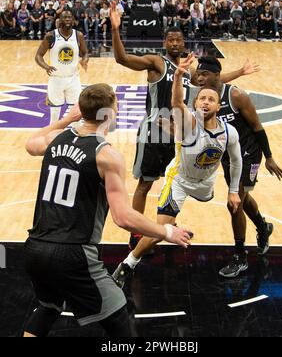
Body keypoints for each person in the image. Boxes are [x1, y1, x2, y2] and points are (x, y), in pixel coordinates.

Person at [23, 84, 191, 337]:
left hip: (35, 247)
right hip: (73, 253)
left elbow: (30, 144)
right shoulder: (106, 155)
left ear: (82, 110)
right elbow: (122, 217)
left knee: (48, 309)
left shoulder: (55, 139)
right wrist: (165, 231)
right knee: (118, 316)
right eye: (116, 106)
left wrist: (66, 120)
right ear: (110, 114)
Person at [110, 1, 260, 250]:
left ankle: (168, 227)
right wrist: (115, 29)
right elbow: (122, 58)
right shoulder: (156, 63)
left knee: (176, 181)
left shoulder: (189, 72)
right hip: (154, 132)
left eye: (179, 40)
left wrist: (239, 72)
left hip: (180, 135)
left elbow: (214, 80)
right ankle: (136, 234)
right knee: (145, 184)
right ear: (165, 43)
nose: (176, 43)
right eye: (171, 40)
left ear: (184, 43)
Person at [112, 55, 243, 288]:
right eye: (201, 98)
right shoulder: (188, 124)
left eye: (210, 99)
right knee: (160, 229)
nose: (205, 102)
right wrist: (179, 77)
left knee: (233, 203)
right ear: (195, 104)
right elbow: (176, 104)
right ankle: (127, 265)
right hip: (180, 181)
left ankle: (242, 247)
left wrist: (233, 191)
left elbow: (236, 160)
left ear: (218, 106)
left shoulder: (229, 131)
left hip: (205, 184)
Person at [193, 57, 282, 278]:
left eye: (204, 74)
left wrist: (269, 157)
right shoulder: (204, 96)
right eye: (199, 74)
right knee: (242, 200)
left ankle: (240, 257)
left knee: (233, 203)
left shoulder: (235, 96)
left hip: (248, 153)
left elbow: (256, 126)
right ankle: (263, 227)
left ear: (216, 75)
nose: (200, 78)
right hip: (228, 154)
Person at [35, 10, 88, 124]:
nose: (68, 19)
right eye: (65, 17)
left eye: (70, 17)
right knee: (54, 116)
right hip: (56, 78)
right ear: (59, 20)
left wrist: (85, 60)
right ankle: (52, 137)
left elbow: (85, 53)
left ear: (73, 20)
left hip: (73, 78)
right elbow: (38, 56)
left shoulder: (78, 35)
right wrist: (46, 67)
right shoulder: (50, 36)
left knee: (77, 114)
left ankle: (76, 138)